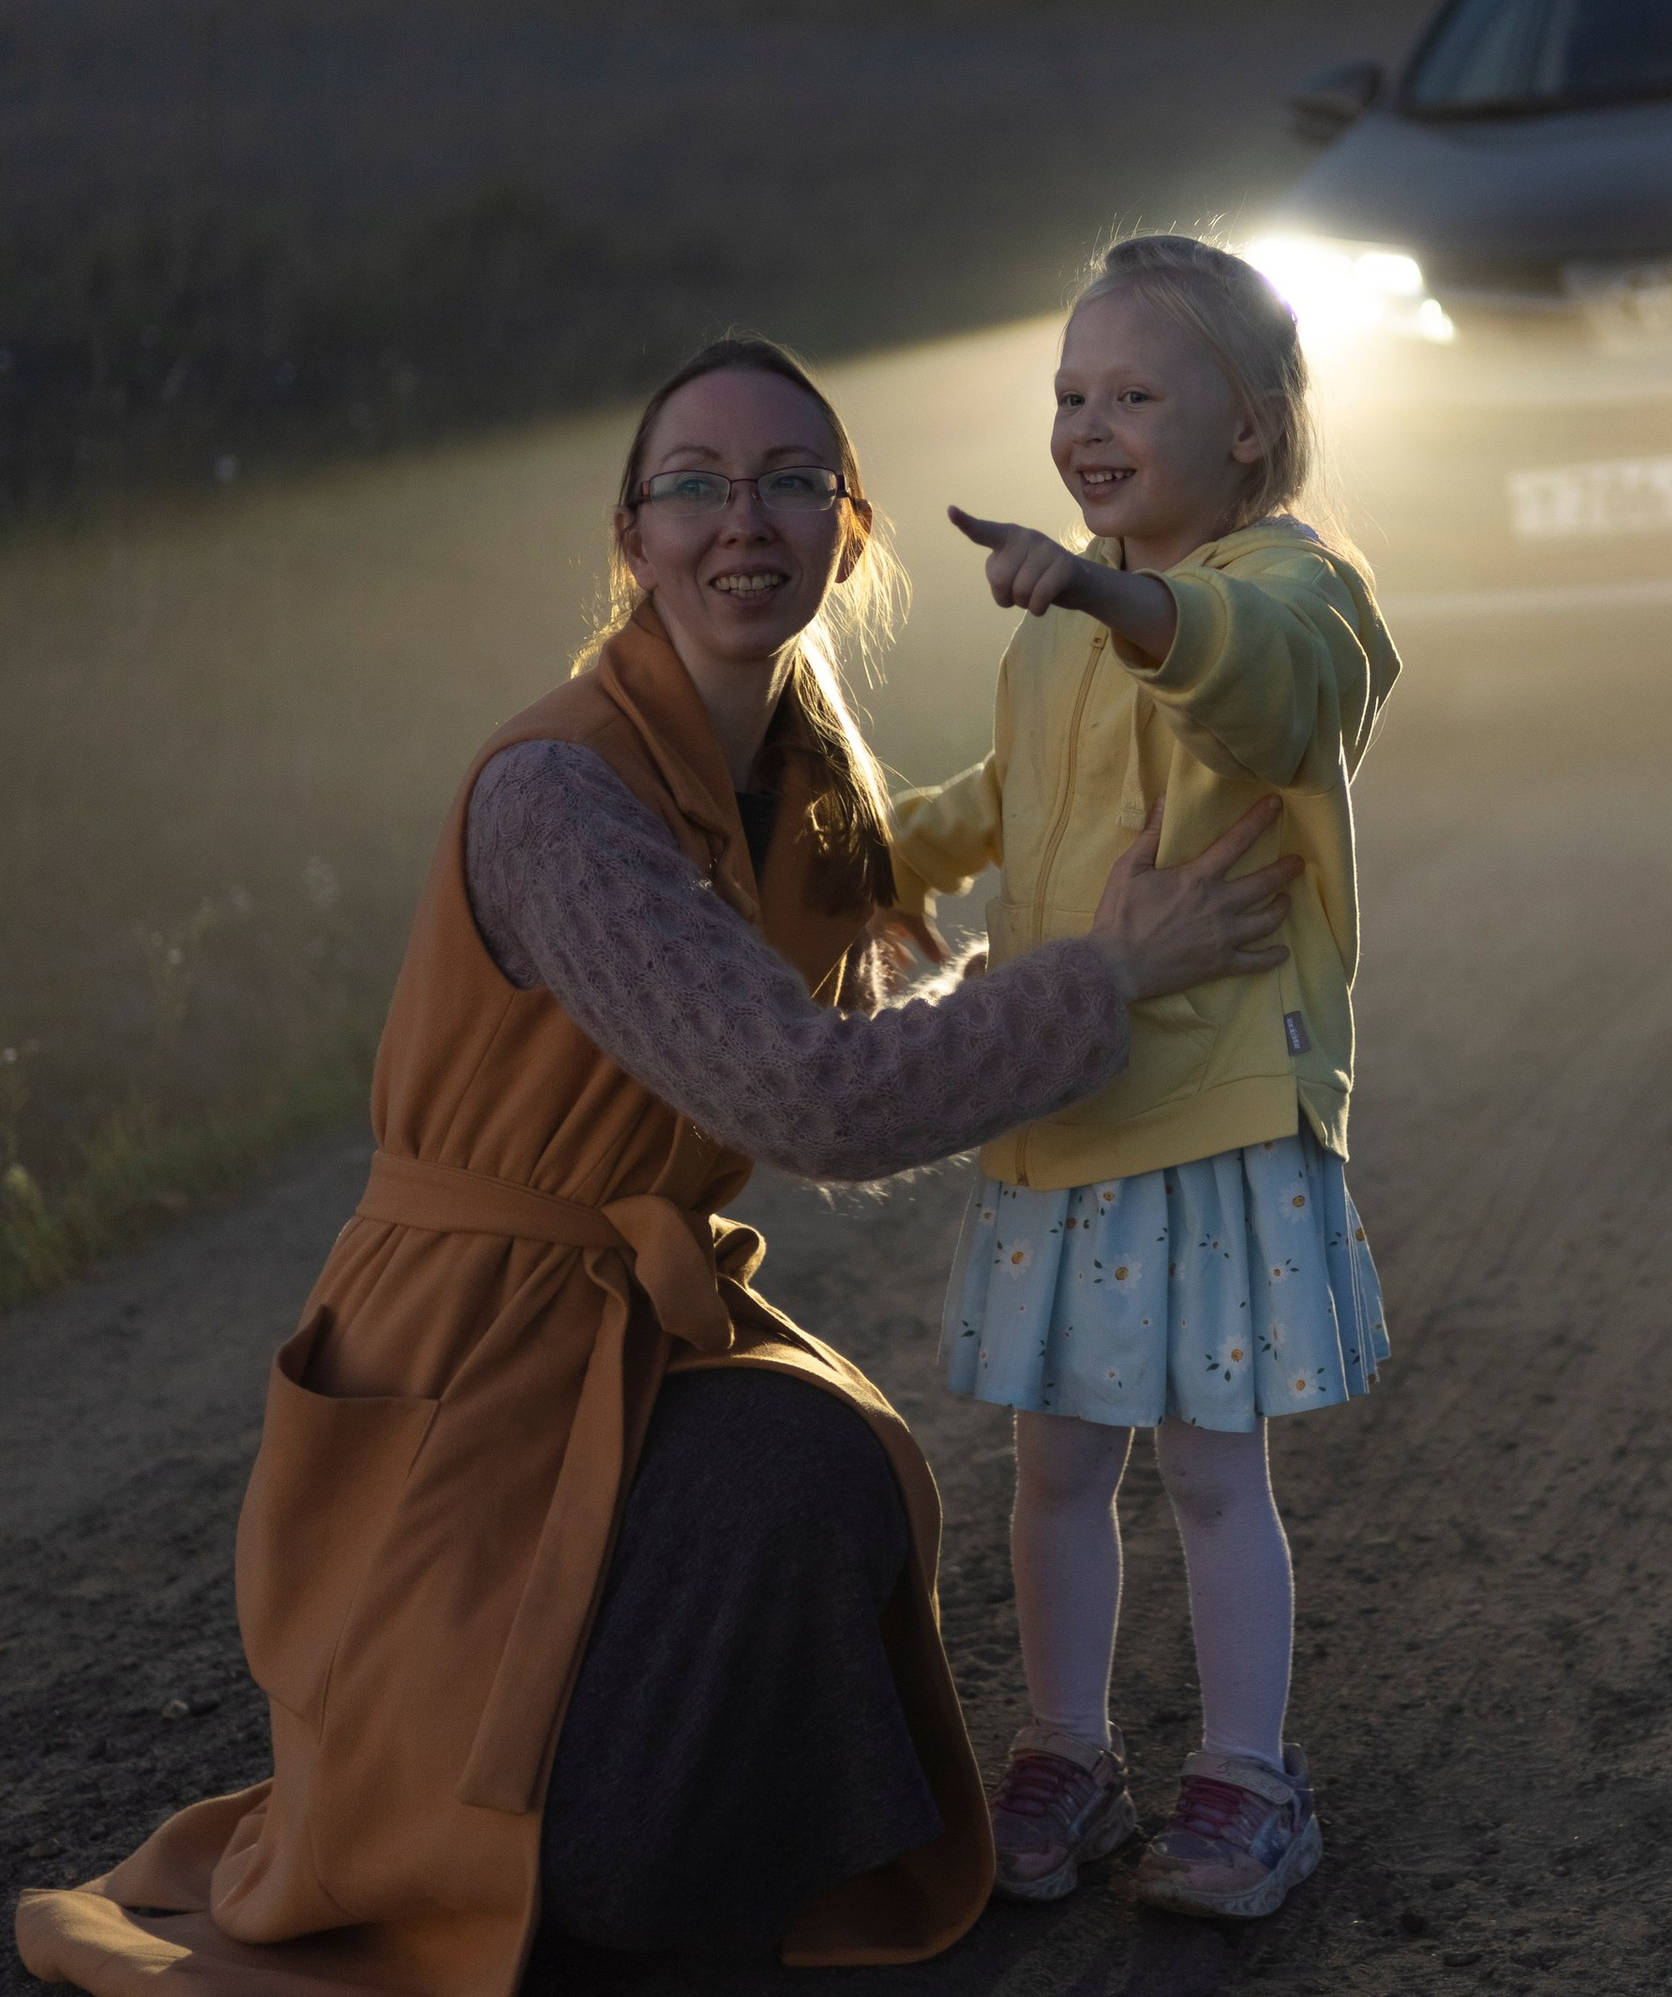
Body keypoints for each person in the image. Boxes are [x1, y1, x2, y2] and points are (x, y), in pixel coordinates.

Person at [14, 334, 1303, 1997]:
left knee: (822, 1456)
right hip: (458, 1346)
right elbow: (813, 1095)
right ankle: (578, 1865)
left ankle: (671, 1867)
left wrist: (1099, 916)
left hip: (612, 1315)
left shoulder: (805, 773)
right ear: (633, 537)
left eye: (788, 481)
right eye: (693, 484)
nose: (738, 519)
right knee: (784, 1473)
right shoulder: (559, 794)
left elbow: (869, 1007)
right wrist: (1107, 979)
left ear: (849, 532)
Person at [894, 236, 1398, 1921]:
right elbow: (1012, 791)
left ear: (1249, 428)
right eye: (1067, 394)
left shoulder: (1293, 588)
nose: (1088, 425)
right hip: (1068, 1107)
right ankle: (1065, 1745)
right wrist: (871, 854)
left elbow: (1251, 687)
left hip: (1214, 1111)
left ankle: (1250, 1781)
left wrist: (1110, 596)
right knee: (1051, 1464)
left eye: (1132, 393)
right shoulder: (1061, 619)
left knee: (1204, 1465)